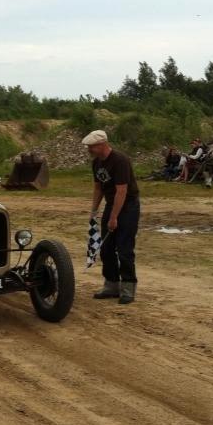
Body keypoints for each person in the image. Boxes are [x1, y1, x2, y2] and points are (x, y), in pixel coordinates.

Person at [84, 129, 140, 304]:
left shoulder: (120, 160)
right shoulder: (96, 163)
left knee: (124, 249)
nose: (89, 150)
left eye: (91, 147)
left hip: (128, 206)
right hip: (111, 204)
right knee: (106, 248)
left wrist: (114, 218)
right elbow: (98, 188)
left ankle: (128, 288)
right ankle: (111, 285)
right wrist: (94, 210)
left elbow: (121, 191)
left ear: (102, 144)